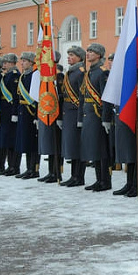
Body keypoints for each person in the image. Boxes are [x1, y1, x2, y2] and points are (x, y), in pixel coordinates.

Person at [78, 43, 112, 192]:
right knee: (93, 148)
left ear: (99, 55)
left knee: (101, 149)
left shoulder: (102, 72)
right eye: (88, 51)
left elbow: (106, 97)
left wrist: (105, 118)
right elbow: (83, 96)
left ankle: (105, 180)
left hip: (97, 114)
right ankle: (99, 179)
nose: (88, 54)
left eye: (91, 52)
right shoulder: (89, 72)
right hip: (89, 114)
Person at [59, 46, 86, 187]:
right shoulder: (70, 72)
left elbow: (82, 96)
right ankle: (73, 175)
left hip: (76, 112)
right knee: (71, 145)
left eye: (72, 55)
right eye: (68, 54)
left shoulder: (80, 72)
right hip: (68, 112)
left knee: (77, 146)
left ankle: (78, 176)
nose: (69, 57)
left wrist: (80, 117)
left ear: (80, 57)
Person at [37, 51, 64, 183]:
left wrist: (59, 117)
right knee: (50, 142)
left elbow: (61, 98)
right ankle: (50, 171)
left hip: (57, 113)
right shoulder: (47, 77)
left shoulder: (59, 77)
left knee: (56, 144)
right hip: (48, 112)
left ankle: (56, 172)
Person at [14, 52, 40, 179]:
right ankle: (28, 168)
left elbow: (36, 98)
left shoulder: (34, 76)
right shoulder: (23, 76)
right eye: (21, 61)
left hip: (31, 112)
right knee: (25, 141)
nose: (22, 63)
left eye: (24, 61)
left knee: (33, 142)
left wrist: (36, 116)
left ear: (31, 62)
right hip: (23, 112)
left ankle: (34, 169)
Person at [0, 53, 21, 175]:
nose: (4, 64)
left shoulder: (15, 76)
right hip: (5, 111)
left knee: (12, 139)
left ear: (12, 63)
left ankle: (14, 166)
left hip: (11, 110)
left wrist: (15, 112)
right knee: (6, 139)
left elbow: (15, 96)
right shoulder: (7, 75)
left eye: (6, 62)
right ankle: (9, 165)